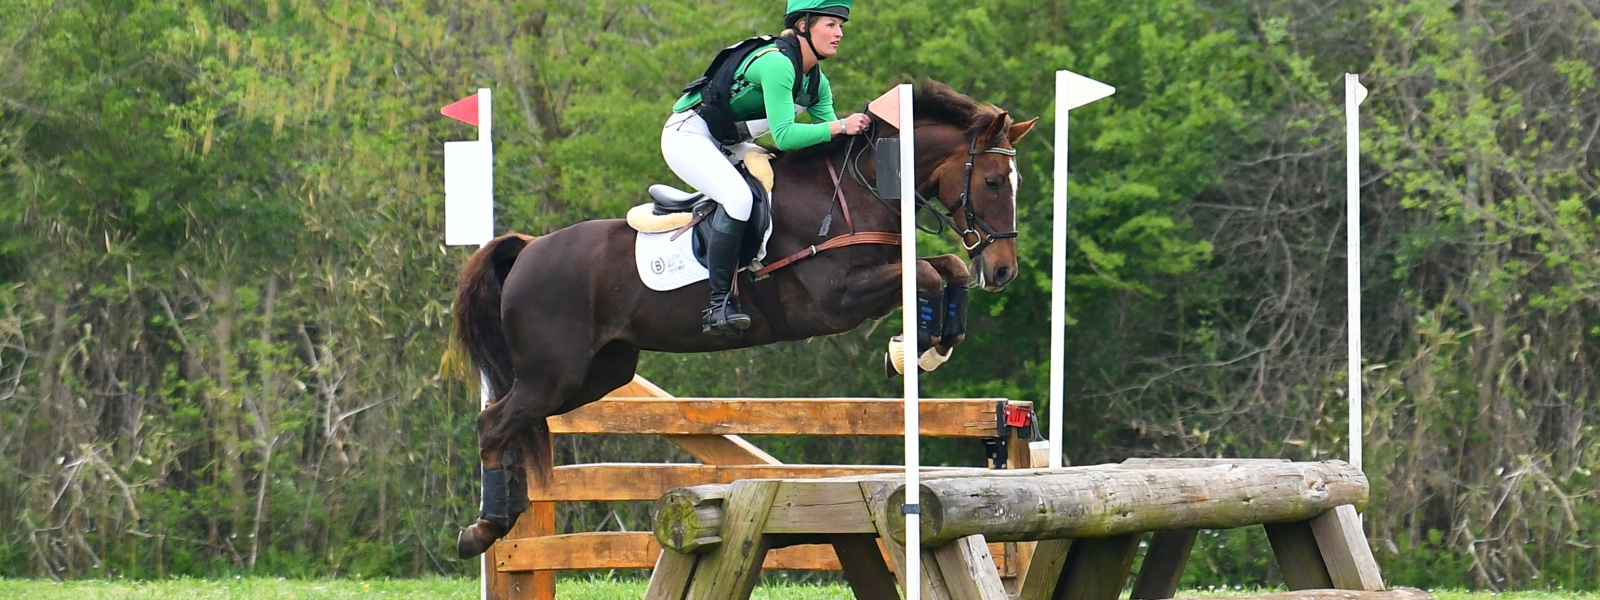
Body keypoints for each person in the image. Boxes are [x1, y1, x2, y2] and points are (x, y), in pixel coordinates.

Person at [663, 0, 873, 337]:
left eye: (841, 26)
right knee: (738, 198)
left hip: (729, 142)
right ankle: (718, 305)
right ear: (803, 25)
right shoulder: (777, 64)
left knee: (781, 184)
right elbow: (786, 136)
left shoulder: (817, 85)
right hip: (689, 134)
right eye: (830, 25)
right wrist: (842, 126)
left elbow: (831, 146)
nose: (839, 34)